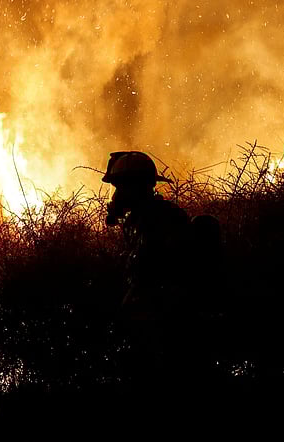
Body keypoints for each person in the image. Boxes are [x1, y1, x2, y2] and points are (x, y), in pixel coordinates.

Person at [102, 151, 193, 397]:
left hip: (165, 325)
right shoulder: (142, 220)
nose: (116, 195)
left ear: (137, 187)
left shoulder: (159, 222)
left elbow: (152, 277)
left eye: (120, 187)